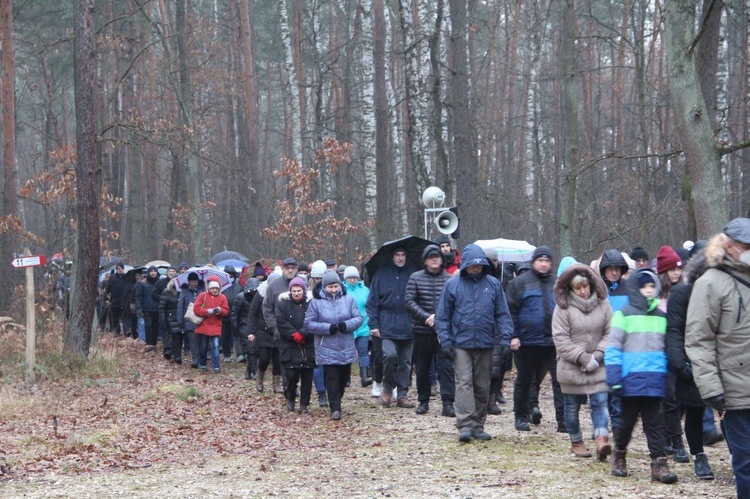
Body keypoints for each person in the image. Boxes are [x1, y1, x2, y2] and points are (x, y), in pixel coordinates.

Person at [686, 218, 750, 498]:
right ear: (729, 246)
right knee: (746, 460)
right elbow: (698, 340)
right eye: (746, 245)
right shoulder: (710, 283)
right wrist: (711, 388)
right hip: (735, 390)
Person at [606, 268, 677, 484]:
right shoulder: (623, 315)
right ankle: (619, 454)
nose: (648, 290)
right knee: (626, 424)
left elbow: (666, 350)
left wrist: (668, 378)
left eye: (651, 286)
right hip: (630, 381)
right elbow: (614, 348)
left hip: (654, 380)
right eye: (644, 286)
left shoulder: (661, 318)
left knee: (656, 425)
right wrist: (615, 378)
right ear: (637, 289)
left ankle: (659, 463)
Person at [435, 243, 513, 442]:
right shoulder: (452, 285)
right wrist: (445, 341)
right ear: (466, 265)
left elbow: (503, 314)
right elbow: (443, 316)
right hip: (460, 343)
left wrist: (505, 339)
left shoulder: (493, 285)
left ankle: (478, 425)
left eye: (479, 265)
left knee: (481, 385)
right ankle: (465, 424)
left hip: (486, 343)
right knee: (463, 383)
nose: (476, 268)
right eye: (472, 265)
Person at [552, 264, 612, 460]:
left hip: (598, 363)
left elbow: (610, 331)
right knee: (571, 406)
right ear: (570, 288)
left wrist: (598, 354)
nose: (583, 291)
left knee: (600, 402)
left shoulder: (603, 305)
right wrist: (583, 357)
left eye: (585, 286)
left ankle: (601, 438)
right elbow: (560, 339)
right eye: (578, 288)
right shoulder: (563, 308)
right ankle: (576, 441)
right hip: (571, 365)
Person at [665, 248, 715, 479]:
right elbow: (674, 330)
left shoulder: (722, 293)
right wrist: (680, 362)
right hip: (690, 361)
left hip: (720, 360)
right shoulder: (681, 294)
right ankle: (698, 456)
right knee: (693, 409)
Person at [507, 245, 566, 433]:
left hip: (553, 342)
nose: (543, 264)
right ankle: (521, 416)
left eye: (547, 261)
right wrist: (513, 335)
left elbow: (566, 309)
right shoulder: (520, 283)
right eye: (540, 260)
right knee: (524, 380)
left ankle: (563, 420)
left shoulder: (557, 283)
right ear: (534, 262)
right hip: (527, 342)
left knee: (559, 381)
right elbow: (510, 311)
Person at [304, 271, 363, 420]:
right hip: (326, 346)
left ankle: (338, 396)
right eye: (330, 287)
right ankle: (335, 407)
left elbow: (358, 318)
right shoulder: (316, 302)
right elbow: (308, 323)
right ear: (324, 287)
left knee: (343, 378)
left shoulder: (348, 300)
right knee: (331, 377)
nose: (334, 290)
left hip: (345, 344)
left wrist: (346, 325)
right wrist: (327, 328)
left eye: (336, 286)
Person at [405, 244, 455, 417]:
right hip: (421, 330)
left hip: (443, 333)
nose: (434, 259)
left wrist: (441, 319)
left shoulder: (449, 279)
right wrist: (426, 317)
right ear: (425, 260)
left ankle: (448, 403)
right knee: (423, 367)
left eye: (437, 256)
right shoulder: (415, 278)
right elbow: (409, 302)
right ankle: (423, 401)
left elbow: (454, 303)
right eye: (430, 257)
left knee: (446, 367)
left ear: (442, 259)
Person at [365, 247, 416, 408]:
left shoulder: (412, 274)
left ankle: (402, 394)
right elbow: (372, 303)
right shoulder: (381, 274)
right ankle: (387, 386)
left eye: (403, 255)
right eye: (397, 255)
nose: (400, 258)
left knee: (406, 362)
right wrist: (373, 324)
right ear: (392, 257)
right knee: (389, 355)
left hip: (408, 323)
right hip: (386, 323)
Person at [654, 245, 689, 462]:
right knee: (668, 398)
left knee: (681, 399)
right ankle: (676, 442)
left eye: (679, 269)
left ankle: (670, 434)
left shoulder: (685, 291)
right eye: (672, 269)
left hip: (682, 351)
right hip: (661, 353)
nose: (677, 273)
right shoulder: (656, 296)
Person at [276, 277, 315, 413]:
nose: (297, 293)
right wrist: (293, 334)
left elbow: (314, 320)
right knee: (291, 375)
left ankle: (304, 404)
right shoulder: (283, 304)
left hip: (307, 344)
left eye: (299, 290)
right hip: (289, 344)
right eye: (294, 290)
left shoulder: (311, 304)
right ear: (290, 291)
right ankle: (290, 398)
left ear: (303, 290)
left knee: (307, 376)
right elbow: (280, 322)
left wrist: (303, 334)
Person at [262, 257, 298, 393]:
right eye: (287, 267)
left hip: (300, 330)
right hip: (281, 331)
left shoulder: (303, 283)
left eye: (293, 267)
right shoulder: (274, 285)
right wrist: (275, 327)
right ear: (283, 268)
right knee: (284, 360)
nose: (290, 270)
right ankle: (287, 386)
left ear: (296, 268)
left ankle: (294, 385)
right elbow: (267, 308)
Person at [249, 272, 282, 392]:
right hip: (263, 331)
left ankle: (276, 385)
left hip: (278, 331)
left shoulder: (283, 295)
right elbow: (252, 313)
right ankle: (260, 379)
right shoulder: (260, 294)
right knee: (264, 358)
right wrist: (251, 331)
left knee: (278, 359)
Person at [342, 266, 372, 387]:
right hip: (348, 326)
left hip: (363, 326)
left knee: (363, 351)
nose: (352, 280)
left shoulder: (364, 289)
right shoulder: (341, 289)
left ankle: (364, 377)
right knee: (348, 353)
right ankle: (346, 377)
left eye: (354, 277)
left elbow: (370, 304)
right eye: (350, 278)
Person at [193, 276, 229, 373]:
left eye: (216, 288)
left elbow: (226, 311)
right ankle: (203, 364)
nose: (214, 290)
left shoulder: (223, 297)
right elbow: (196, 309)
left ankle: (216, 365)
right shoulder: (202, 295)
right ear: (209, 288)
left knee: (215, 346)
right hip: (204, 325)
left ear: (219, 288)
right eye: (212, 288)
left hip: (216, 326)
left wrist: (219, 311)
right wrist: (208, 311)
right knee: (204, 346)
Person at [233, 278, 261, 380]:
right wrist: (235, 329)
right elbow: (235, 314)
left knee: (255, 349)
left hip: (257, 326)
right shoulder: (241, 297)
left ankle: (249, 370)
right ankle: (254, 371)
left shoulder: (261, 297)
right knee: (251, 349)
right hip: (244, 326)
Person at [177, 272, 204, 368]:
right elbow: (180, 306)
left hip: (202, 319)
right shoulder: (184, 292)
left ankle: (202, 358)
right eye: (192, 282)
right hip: (189, 319)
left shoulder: (203, 290)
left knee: (202, 341)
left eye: (195, 282)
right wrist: (180, 320)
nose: (193, 284)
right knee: (193, 341)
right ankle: (195, 358)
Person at [136, 266, 161, 352]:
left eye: (155, 271)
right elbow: (139, 297)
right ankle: (149, 343)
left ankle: (154, 344)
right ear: (149, 272)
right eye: (151, 271)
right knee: (148, 326)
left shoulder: (159, 283)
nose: (153, 273)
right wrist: (139, 308)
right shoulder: (143, 283)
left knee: (156, 327)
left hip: (157, 308)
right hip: (146, 308)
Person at [159, 278, 183, 364]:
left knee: (179, 337)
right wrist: (163, 320)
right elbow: (162, 307)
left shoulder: (183, 291)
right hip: (170, 317)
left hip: (180, 318)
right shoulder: (167, 292)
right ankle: (174, 354)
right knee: (174, 336)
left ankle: (177, 354)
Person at [221, 265, 242, 362]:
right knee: (225, 336)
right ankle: (226, 354)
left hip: (237, 314)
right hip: (225, 315)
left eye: (231, 275)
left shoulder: (240, 284)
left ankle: (240, 354)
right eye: (228, 275)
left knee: (238, 335)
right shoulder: (221, 285)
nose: (230, 277)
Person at [106, 263, 128, 336]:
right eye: (118, 269)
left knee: (124, 316)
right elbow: (108, 289)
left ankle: (126, 331)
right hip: (114, 300)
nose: (119, 271)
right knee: (115, 317)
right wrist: (108, 298)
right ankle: (117, 331)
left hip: (123, 300)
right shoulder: (112, 277)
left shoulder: (125, 278)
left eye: (121, 269)